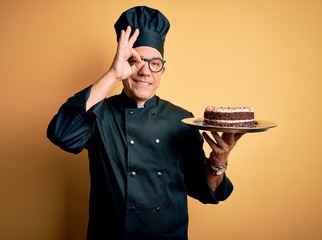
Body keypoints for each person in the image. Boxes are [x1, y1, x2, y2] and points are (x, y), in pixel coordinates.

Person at [47, 5, 244, 240]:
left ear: (163, 70)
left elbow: (205, 189)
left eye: (155, 63)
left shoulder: (181, 120)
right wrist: (112, 74)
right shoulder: (100, 114)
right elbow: (62, 133)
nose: (145, 72)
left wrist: (218, 161)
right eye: (135, 61)